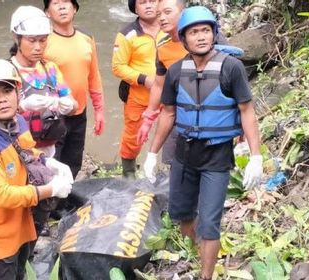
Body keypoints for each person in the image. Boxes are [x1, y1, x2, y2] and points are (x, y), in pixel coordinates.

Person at [144, 6, 263, 280]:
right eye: (194, 32)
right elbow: (168, 114)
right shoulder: (175, 72)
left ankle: (206, 275)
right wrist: (152, 153)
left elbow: (247, 110)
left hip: (216, 156)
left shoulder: (231, 68)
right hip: (184, 154)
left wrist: (255, 156)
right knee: (182, 214)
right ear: (183, 38)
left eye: (206, 31)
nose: (201, 37)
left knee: (209, 222)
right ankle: (201, 254)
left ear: (214, 33)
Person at [0, 58, 73, 279]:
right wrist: (50, 190)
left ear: (18, 92)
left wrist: (48, 162)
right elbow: (0, 195)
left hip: (23, 227)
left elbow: (28, 152)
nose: (2, 99)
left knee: (20, 273)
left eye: (7, 91)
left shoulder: (18, 123)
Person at [43, 0, 105, 179]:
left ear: (75, 8)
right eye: (55, 3)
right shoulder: (43, 42)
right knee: (53, 165)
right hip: (53, 115)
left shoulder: (86, 38)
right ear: (47, 12)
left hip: (79, 112)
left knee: (74, 162)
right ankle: (50, 205)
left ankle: (66, 203)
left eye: (66, 2)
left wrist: (99, 110)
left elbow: (94, 76)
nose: (62, 7)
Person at [9, 5, 78, 159]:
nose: (38, 47)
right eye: (32, 41)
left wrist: (69, 105)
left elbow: (74, 105)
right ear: (16, 38)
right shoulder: (7, 72)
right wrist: (22, 106)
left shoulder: (50, 69)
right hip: (18, 151)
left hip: (50, 147)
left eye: (43, 40)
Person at [112, 0, 163, 178]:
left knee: (176, 133)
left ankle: (173, 170)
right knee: (132, 136)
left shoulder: (171, 28)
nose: (148, 5)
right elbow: (118, 66)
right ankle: (129, 173)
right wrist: (145, 80)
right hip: (138, 95)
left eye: (152, 1)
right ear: (135, 8)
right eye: (142, 2)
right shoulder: (128, 34)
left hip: (170, 93)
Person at [137, 0, 188, 173]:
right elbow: (159, 85)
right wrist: (148, 119)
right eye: (159, 15)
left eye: (167, 12)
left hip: (208, 116)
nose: (162, 18)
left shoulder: (203, 38)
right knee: (176, 167)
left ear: (182, 12)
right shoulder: (164, 47)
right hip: (175, 113)